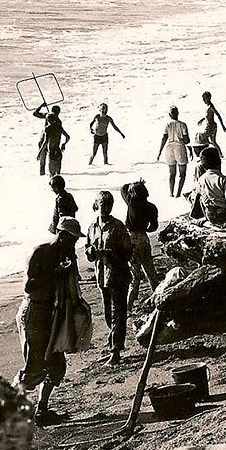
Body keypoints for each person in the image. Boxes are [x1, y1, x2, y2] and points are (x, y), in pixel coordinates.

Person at [17, 217, 83, 420]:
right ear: (62, 236)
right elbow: (29, 286)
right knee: (33, 369)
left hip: (50, 313)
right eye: (72, 240)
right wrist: (55, 274)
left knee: (56, 365)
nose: (74, 245)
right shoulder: (41, 252)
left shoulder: (63, 254)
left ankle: (41, 409)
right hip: (34, 312)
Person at [86, 191, 135, 365]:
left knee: (118, 313)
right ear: (97, 205)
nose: (106, 208)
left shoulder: (118, 226)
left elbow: (128, 252)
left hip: (118, 274)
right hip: (101, 275)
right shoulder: (92, 226)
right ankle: (112, 344)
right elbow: (88, 249)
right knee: (108, 313)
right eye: (103, 204)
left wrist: (108, 253)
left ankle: (116, 350)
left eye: (108, 205)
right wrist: (91, 253)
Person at [121, 180, 160, 309]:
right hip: (142, 238)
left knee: (134, 275)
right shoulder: (151, 207)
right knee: (149, 270)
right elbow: (154, 226)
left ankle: (128, 306)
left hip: (130, 239)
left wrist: (133, 184)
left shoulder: (131, 203)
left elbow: (123, 188)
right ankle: (159, 298)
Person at [191, 146, 226, 223]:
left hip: (210, 215)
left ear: (204, 166)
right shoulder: (225, 180)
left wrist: (206, 216)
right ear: (219, 162)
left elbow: (200, 199)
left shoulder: (201, 179)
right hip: (224, 214)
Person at [157, 106, 191, 197]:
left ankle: (171, 193)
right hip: (179, 148)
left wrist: (159, 152)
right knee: (182, 173)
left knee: (172, 173)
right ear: (178, 113)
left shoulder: (168, 125)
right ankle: (178, 193)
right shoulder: (183, 125)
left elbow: (164, 138)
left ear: (169, 114)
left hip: (169, 148)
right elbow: (187, 140)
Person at [32, 104, 70, 177]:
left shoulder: (49, 118)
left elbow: (35, 113)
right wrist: (63, 144)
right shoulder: (53, 118)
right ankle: (51, 177)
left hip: (46, 142)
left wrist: (41, 106)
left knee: (44, 162)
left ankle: (47, 178)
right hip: (49, 143)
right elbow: (65, 136)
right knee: (47, 163)